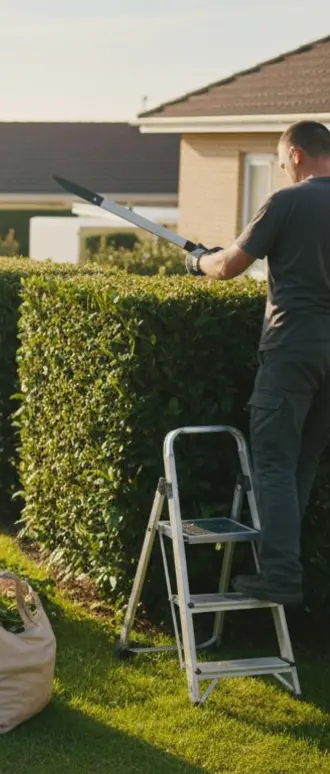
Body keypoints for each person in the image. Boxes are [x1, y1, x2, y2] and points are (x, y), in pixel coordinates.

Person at [185, 119, 330, 608]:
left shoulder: (288, 201)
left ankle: (281, 575)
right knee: (302, 460)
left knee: (273, 460)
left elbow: (228, 266)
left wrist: (197, 260)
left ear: (294, 155)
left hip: (293, 346)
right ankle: (286, 564)